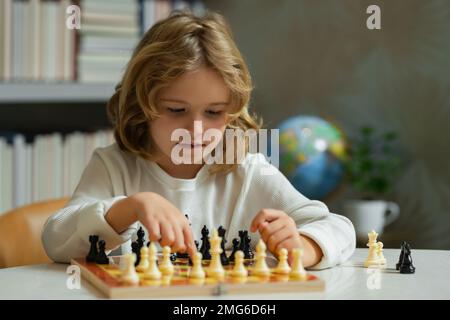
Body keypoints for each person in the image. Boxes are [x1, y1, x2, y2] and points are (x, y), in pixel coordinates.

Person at [42, 11, 355, 269]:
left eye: (214, 112)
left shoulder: (249, 169)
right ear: (142, 104)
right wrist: (129, 207)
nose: (195, 129)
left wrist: (304, 244)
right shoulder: (113, 166)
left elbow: (339, 228)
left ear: (233, 111)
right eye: (177, 110)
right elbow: (56, 240)